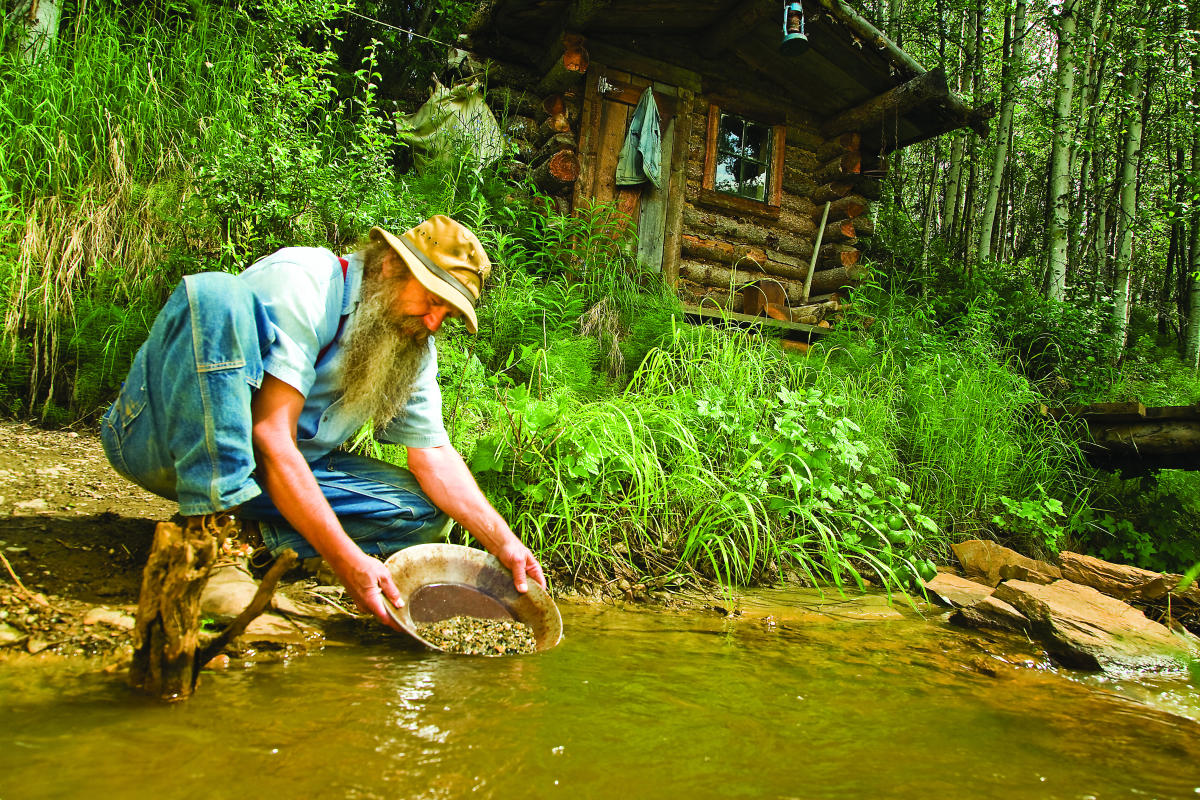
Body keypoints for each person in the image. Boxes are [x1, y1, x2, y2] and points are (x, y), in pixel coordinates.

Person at [100, 215, 546, 629]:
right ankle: (211, 542)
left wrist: (502, 540)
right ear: (391, 265)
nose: (433, 322)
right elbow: (271, 436)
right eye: (432, 300)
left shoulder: (413, 344)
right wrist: (345, 558)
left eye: (446, 315)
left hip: (270, 474)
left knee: (425, 513)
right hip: (160, 441)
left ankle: (251, 537)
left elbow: (431, 455)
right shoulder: (303, 281)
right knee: (218, 294)